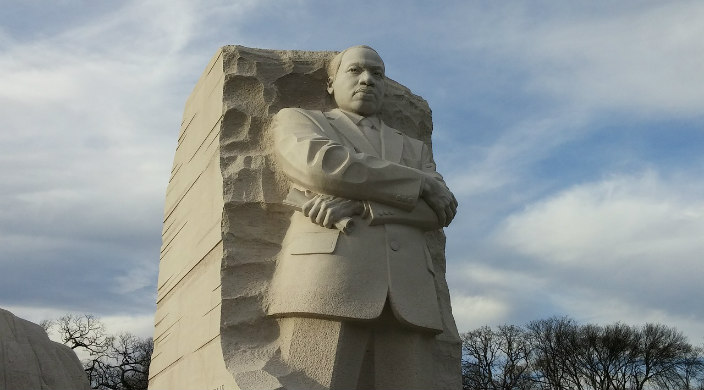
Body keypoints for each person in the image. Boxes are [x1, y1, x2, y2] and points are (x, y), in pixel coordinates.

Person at [266, 45, 458, 390]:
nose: (368, 80)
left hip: (411, 289)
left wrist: (363, 206)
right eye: (355, 71)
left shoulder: (414, 148)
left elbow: (439, 210)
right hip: (329, 278)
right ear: (331, 83)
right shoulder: (300, 120)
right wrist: (419, 182)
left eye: (378, 74)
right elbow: (323, 166)